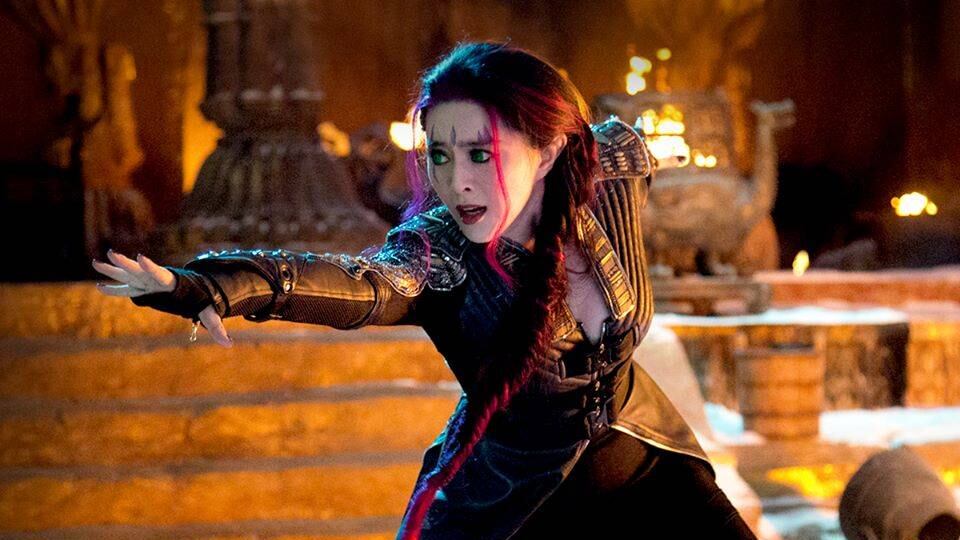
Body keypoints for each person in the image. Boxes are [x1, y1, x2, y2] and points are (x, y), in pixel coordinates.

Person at [94, 42, 756, 539]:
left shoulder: (608, 180)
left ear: (548, 153)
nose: (455, 180)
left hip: (649, 464)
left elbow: (622, 145)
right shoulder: (437, 252)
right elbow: (359, 283)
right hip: (517, 501)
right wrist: (214, 284)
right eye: (439, 154)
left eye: (479, 153)